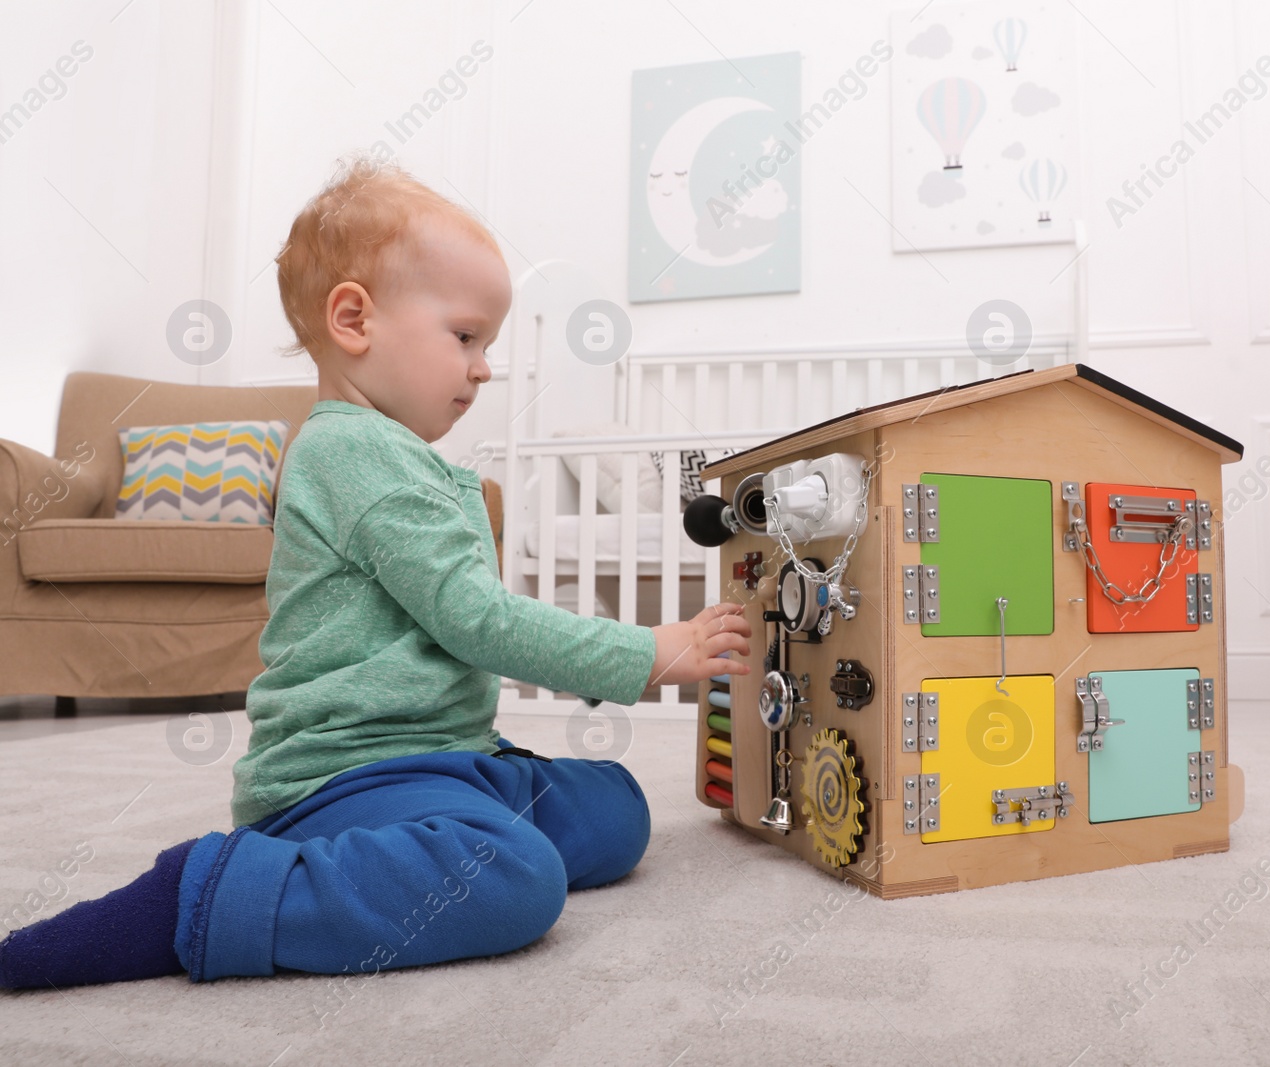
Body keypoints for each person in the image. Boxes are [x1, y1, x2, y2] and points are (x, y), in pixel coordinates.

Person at [0, 157, 752, 990]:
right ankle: (213, 892)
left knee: (618, 810)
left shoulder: (397, 454)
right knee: (516, 882)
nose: (483, 367)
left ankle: (454, 815)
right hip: (346, 771)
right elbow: (479, 621)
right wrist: (649, 651)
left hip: (446, 753)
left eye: (488, 344)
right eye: (466, 336)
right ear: (355, 319)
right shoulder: (351, 450)